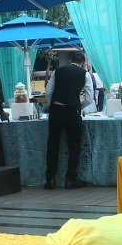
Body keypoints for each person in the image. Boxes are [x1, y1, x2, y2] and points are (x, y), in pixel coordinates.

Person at [45, 51, 88, 190]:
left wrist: (53, 105)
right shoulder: (85, 74)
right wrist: (78, 106)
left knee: (53, 144)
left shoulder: (57, 71)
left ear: (70, 61)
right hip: (72, 112)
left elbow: (48, 92)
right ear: (82, 63)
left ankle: (50, 179)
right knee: (74, 145)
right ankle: (70, 179)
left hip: (56, 111)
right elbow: (89, 98)